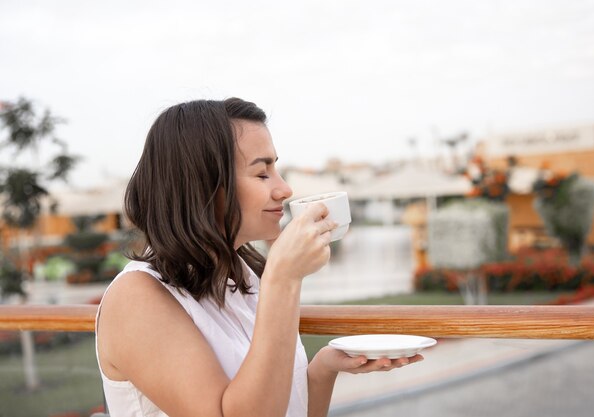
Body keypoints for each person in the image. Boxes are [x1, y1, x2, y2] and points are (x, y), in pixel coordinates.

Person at [95, 98, 423, 417]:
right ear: (205, 186)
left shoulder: (242, 277)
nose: (284, 189)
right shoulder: (136, 298)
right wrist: (283, 279)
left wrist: (324, 368)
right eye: (262, 174)